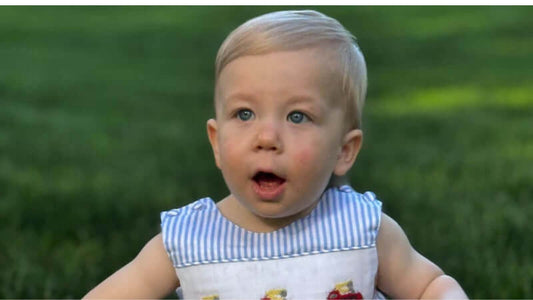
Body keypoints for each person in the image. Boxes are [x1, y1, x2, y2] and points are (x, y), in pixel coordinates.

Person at [84, 10, 468, 299]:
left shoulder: (361, 228)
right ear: (216, 142)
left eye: (297, 116)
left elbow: (429, 286)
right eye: (244, 114)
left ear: (344, 151)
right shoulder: (186, 240)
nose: (266, 137)